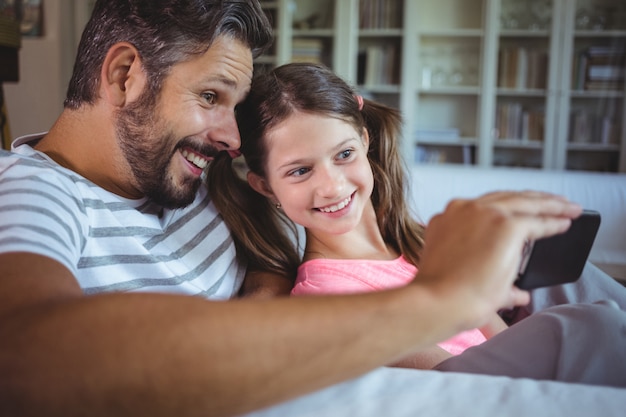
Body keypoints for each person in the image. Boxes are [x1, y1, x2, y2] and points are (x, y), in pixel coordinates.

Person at [0, 1, 624, 416]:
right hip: (366, 339)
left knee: (578, 276)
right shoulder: (37, 192)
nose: (230, 135)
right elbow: (22, 353)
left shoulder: (175, 172)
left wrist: (264, 290)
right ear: (125, 74)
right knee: (595, 330)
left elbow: (280, 220)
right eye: (211, 96)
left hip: (393, 295)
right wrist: (435, 299)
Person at [207, 62, 626, 382]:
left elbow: (495, 336)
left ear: (365, 141)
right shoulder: (327, 297)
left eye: (344, 155)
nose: (332, 187)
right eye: (300, 171)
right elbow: (458, 377)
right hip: (474, 381)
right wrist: (462, 289)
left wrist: (467, 278)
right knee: (598, 324)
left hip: (514, 359)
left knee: (576, 281)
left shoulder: (410, 243)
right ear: (265, 186)